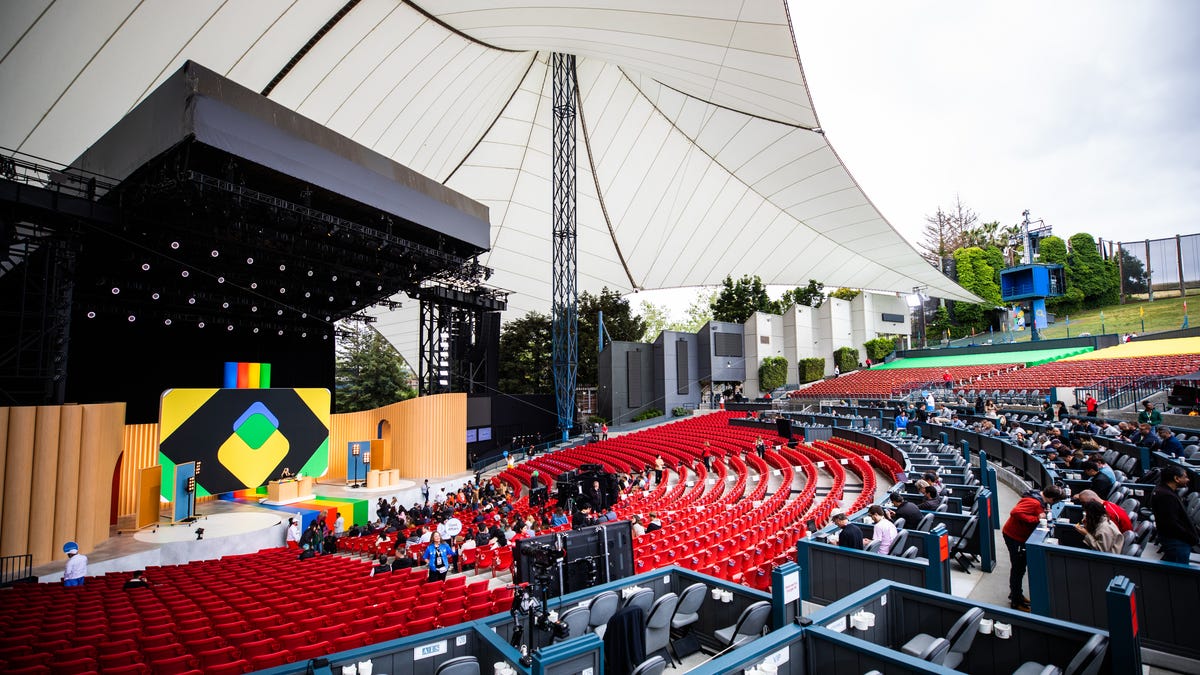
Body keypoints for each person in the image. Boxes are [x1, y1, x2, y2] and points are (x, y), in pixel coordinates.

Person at [1002, 486, 1064, 610]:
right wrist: (1036, 519)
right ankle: (1016, 600)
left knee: (1019, 568)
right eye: (1055, 501)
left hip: (1019, 537)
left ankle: (1016, 594)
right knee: (1018, 569)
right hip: (1015, 537)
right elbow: (1015, 512)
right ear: (1051, 498)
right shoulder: (1033, 501)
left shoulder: (1038, 500)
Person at [1151, 466, 1199, 564]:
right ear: (1176, 478)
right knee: (1179, 576)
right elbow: (1171, 523)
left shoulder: (1162, 490)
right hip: (1177, 542)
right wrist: (1190, 537)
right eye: (1185, 477)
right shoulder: (1166, 496)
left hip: (1174, 540)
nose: (1188, 479)